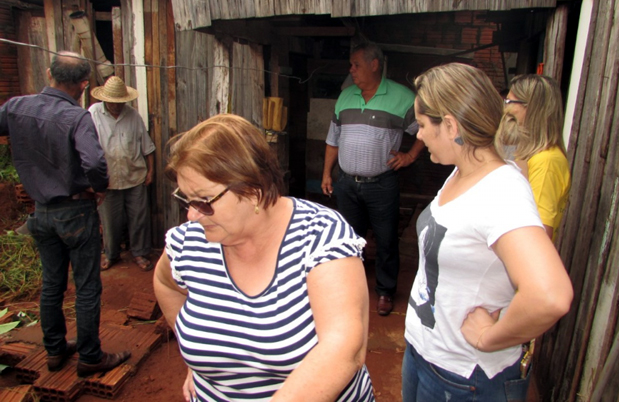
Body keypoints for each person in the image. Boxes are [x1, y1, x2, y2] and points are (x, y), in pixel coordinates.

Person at [153, 114, 374, 401]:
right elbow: (165, 283)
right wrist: (198, 360)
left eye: (203, 201)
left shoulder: (320, 235)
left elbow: (344, 348)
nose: (192, 215)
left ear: (252, 192)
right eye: (186, 199)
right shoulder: (189, 242)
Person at [402, 63, 573, 401]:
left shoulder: (501, 191)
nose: (418, 135)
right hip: (426, 354)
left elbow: (550, 295)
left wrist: (488, 338)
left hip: (465, 377)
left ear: (450, 126)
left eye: (422, 125)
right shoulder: (460, 173)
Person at [0, 51, 130, 376]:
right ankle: (89, 357)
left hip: (40, 212)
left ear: (48, 73)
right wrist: (98, 188)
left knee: (51, 283)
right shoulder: (77, 118)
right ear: (84, 85)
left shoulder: (16, 107)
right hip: (75, 211)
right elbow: (96, 163)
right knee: (86, 286)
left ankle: (55, 351)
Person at [321, 41, 424, 316]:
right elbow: (333, 140)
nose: (351, 70)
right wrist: (326, 174)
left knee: (386, 239)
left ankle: (385, 291)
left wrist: (410, 156)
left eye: (356, 64)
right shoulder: (345, 96)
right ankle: (349, 288)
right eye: (351, 65)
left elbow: (424, 130)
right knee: (348, 239)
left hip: (381, 183)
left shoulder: (402, 98)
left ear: (374, 64)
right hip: (346, 182)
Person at [89, 76, 156, 271]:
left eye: (120, 103)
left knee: (139, 219)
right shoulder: (93, 114)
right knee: (110, 221)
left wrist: (150, 171)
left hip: (134, 176)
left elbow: (147, 147)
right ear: (105, 99)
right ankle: (111, 254)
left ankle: (140, 253)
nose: (117, 106)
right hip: (107, 179)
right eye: (113, 103)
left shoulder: (133, 115)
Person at [497, 74, 571, 241]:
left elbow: (539, 233)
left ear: (531, 108)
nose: (504, 108)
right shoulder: (529, 155)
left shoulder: (546, 161)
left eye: (509, 102)